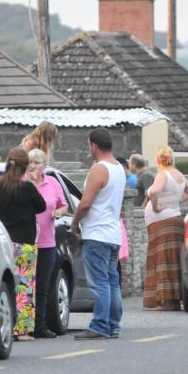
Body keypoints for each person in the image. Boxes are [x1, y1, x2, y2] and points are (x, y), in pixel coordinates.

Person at [71, 129, 127, 340]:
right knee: (112, 281)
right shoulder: (119, 169)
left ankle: (100, 325)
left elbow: (85, 203)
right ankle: (113, 325)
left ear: (94, 145)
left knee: (99, 282)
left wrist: (75, 223)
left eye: (89, 145)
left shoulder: (99, 169)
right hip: (113, 234)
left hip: (97, 234)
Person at [0, 148, 46, 340]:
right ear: (24, 167)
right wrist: (32, 184)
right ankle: (21, 330)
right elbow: (42, 206)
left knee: (6, 285)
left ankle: (5, 325)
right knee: (24, 286)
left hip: (5, 242)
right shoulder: (27, 188)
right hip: (25, 243)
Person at [144, 146, 188, 311]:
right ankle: (172, 301)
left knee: (163, 260)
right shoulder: (178, 174)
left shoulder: (162, 175)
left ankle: (166, 302)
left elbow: (154, 192)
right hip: (175, 219)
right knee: (172, 260)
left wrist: (157, 207)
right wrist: (176, 201)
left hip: (163, 222)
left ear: (158, 160)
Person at [27, 148, 68, 339]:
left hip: (47, 242)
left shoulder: (51, 182)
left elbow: (64, 204)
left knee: (43, 286)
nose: (33, 166)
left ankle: (40, 325)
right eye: (30, 162)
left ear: (44, 165)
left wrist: (59, 212)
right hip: (25, 242)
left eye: (37, 162)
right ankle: (23, 326)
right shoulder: (22, 183)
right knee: (25, 286)